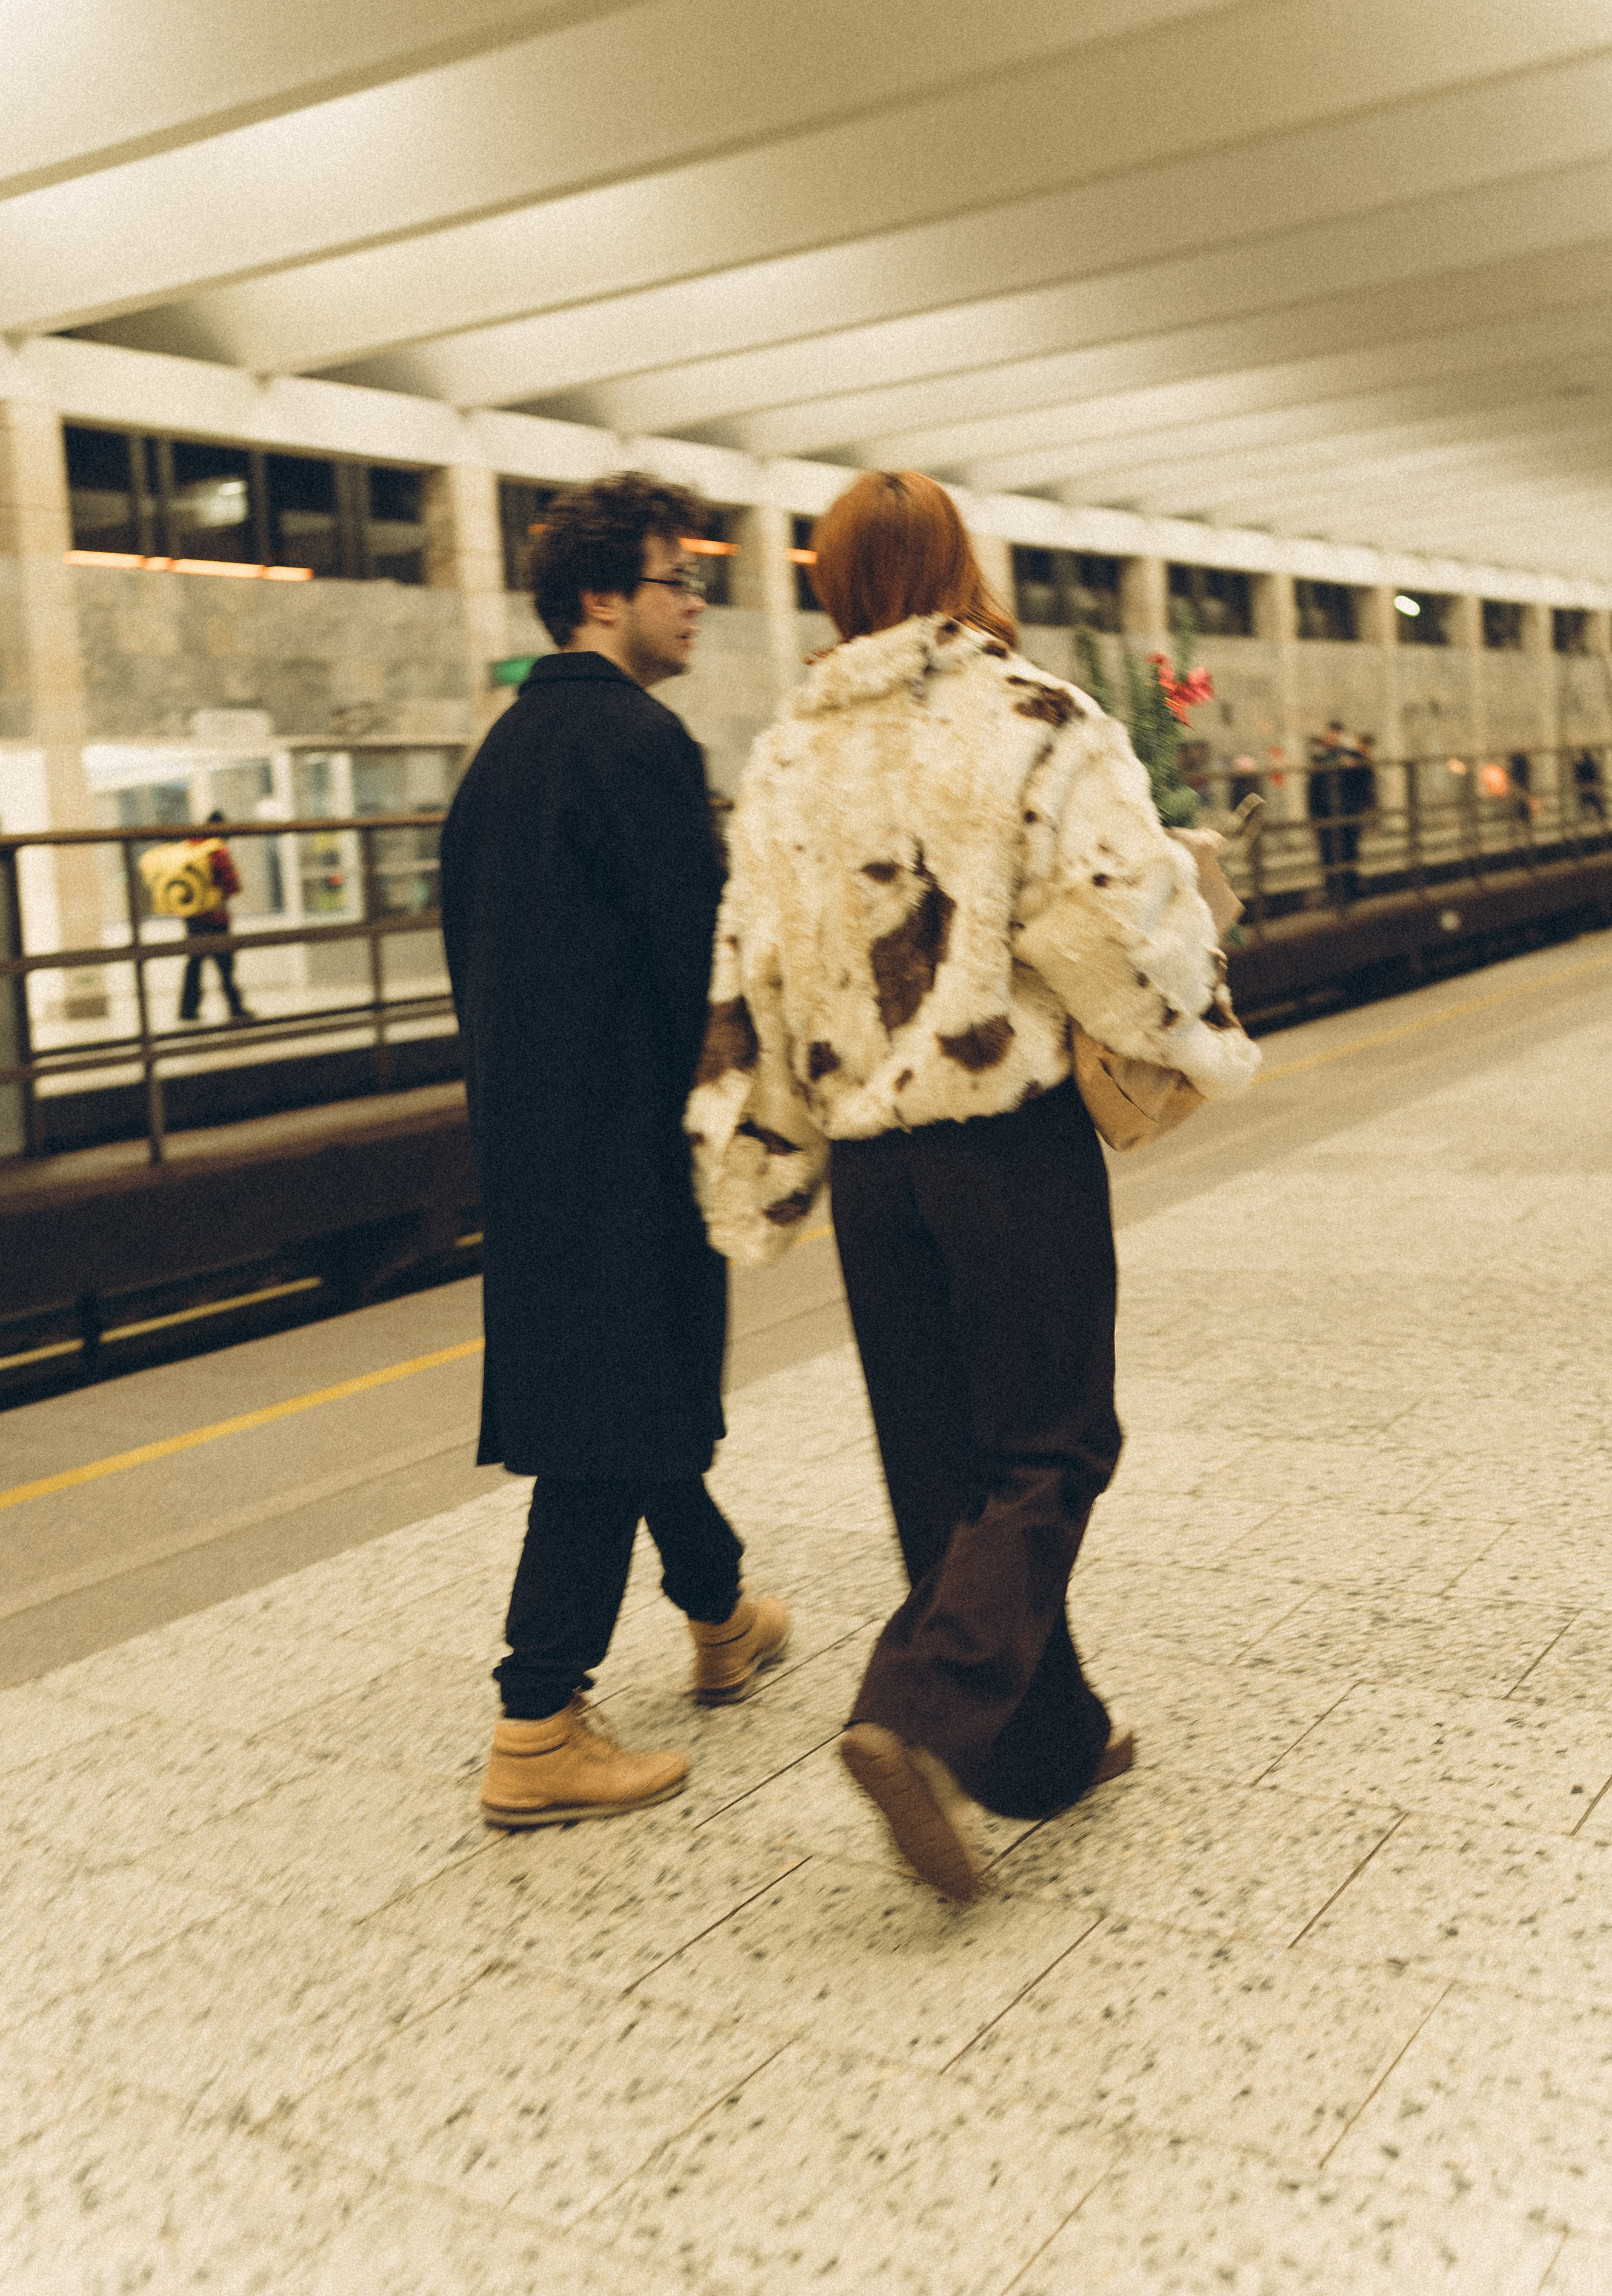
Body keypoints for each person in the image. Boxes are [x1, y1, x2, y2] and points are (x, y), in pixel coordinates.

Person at [686, 470, 1259, 1901]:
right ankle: (915, 1713)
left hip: (874, 1166)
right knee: (1054, 1441)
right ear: (960, 566)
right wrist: (1192, 985)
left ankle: (1040, 1748)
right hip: (1004, 1136)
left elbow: (750, 977)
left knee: (942, 1459)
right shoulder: (1030, 717)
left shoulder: (784, 755)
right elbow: (1111, 926)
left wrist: (766, 1156)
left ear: (831, 584)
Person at [439, 472, 789, 1830]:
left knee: (627, 1394)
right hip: (629, 1145)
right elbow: (701, 967)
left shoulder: (501, 756)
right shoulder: (640, 743)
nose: (695, 603)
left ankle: (721, 1615)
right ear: (601, 595)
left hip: (529, 1142)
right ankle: (537, 1723)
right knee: (606, 1418)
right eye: (675, 580)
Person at [177, 810, 254, 1022]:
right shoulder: (216, 850)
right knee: (225, 965)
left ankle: (187, 1009)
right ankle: (235, 1007)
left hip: (192, 916)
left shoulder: (189, 846)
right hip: (216, 917)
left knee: (194, 964)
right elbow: (233, 886)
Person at [1308, 719, 1362, 906]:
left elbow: (1364, 778)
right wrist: (1313, 816)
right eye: (1329, 734)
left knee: (1348, 851)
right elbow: (1313, 790)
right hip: (1326, 813)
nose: (1331, 738)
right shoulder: (1320, 759)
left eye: (1335, 734)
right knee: (1329, 856)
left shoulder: (1352, 756)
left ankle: (1349, 892)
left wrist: (1354, 765)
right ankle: (1333, 893)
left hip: (1347, 812)